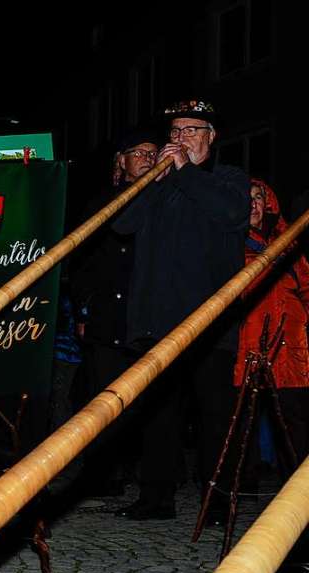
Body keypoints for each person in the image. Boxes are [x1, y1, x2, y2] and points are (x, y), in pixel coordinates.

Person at [113, 100, 250, 520]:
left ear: (211, 137)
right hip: (159, 319)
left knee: (213, 414)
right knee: (159, 413)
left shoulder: (227, 179)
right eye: (175, 131)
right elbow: (122, 224)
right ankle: (157, 498)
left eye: (192, 129)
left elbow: (231, 213)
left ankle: (217, 501)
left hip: (211, 320)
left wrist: (187, 172)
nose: (181, 137)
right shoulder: (161, 182)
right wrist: (154, 181)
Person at [71, 128, 159, 496]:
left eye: (153, 153)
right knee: (103, 395)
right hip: (106, 313)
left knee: (146, 400)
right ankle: (104, 474)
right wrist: (82, 308)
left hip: (146, 315)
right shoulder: (102, 201)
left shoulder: (165, 201)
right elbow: (84, 260)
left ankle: (145, 471)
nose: (147, 158)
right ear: (120, 161)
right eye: (137, 152)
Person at [235, 178, 309, 476]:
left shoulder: (287, 241)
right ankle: (243, 492)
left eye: (258, 197)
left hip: (291, 348)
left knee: (295, 423)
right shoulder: (230, 243)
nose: (253, 203)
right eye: (246, 198)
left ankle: (297, 496)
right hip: (248, 346)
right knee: (244, 425)